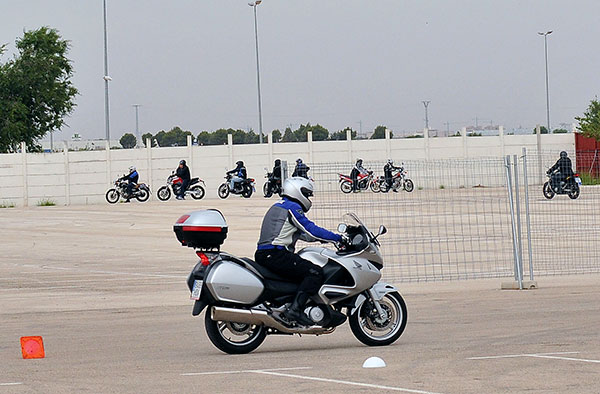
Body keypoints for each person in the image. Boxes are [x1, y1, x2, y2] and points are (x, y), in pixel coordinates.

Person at [255, 177, 342, 326]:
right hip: (276, 254)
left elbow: (304, 235)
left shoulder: (278, 206)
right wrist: (338, 238)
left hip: (267, 254)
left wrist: (324, 240)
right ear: (297, 191)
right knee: (314, 272)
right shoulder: (292, 208)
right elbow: (311, 229)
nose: (308, 198)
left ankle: (290, 304)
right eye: (306, 194)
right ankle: (295, 310)